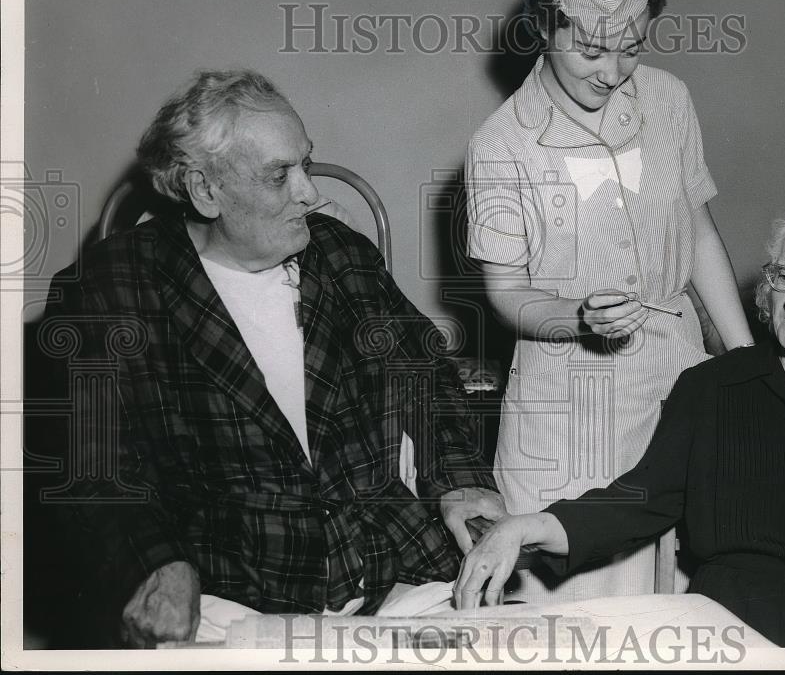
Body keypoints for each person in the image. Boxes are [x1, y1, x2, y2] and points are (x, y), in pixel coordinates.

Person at [40, 70, 504, 647]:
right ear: (205, 190)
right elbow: (92, 462)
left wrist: (456, 481)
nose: (309, 192)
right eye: (279, 176)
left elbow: (426, 379)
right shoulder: (109, 289)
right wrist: (154, 561)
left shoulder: (340, 254)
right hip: (230, 594)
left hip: (391, 573)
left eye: (306, 164)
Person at [455, 189, 785, 647]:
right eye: (784, 275)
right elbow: (638, 502)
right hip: (723, 636)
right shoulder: (713, 388)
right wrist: (524, 528)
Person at [465, 0, 753, 601]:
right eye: (590, 49)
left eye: (629, 48)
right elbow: (506, 290)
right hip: (568, 416)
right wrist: (577, 316)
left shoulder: (668, 101)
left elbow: (698, 232)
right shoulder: (501, 144)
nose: (612, 71)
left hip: (675, 385)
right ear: (545, 26)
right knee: (574, 618)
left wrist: (744, 360)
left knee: (682, 609)